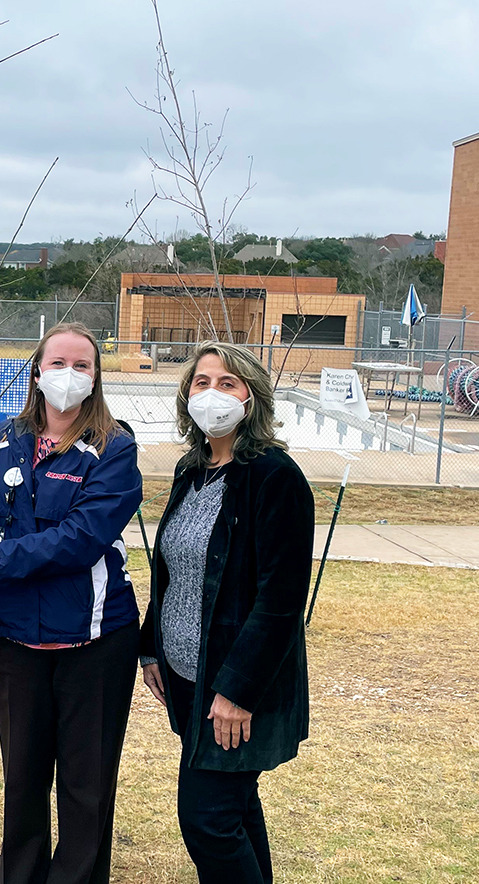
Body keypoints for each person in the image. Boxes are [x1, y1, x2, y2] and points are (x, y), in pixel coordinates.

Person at [0, 322, 144, 884]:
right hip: (12, 639)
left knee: (85, 784)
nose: (68, 375)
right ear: (36, 372)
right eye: (58, 364)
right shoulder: (0, 440)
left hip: (93, 642)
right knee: (22, 779)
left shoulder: (114, 448)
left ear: (96, 378)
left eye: (82, 365)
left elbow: (79, 540)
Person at [139, 341, 314, 884]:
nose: (212, 393)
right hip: (187, 675)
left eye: (228, 383)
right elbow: (172, 570)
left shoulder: (273, 477)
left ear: (252, 399)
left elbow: (281, 601)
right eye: (201, 382)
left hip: (233, 684)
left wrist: (238, 692)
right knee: (235, 806)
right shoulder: (193, 471)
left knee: (207, 818)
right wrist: (152, 647)